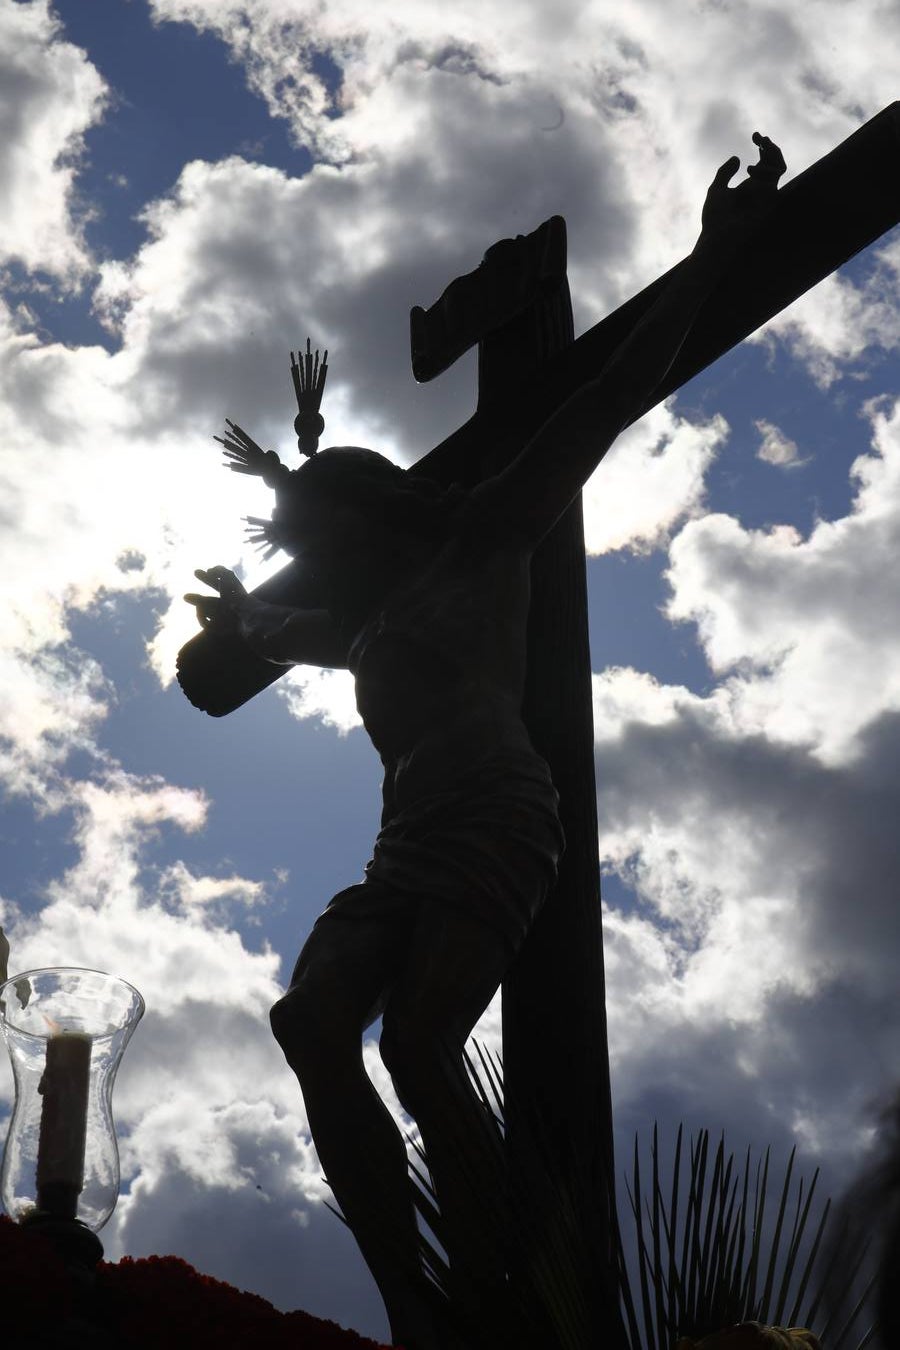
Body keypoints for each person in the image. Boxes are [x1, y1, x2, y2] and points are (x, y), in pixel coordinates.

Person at [185, 134, 786, 1350]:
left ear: (364, 513)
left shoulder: (487, 539)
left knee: (417, 1041)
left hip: (498, 812)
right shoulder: (356, 618)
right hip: (405, 842)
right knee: (310, 1022)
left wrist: (713, 258)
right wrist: (234, 619)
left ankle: (504, 1294)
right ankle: (418, 1304)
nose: (306, 551)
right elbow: (217, 674)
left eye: (315, 526)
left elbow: (603, 399)